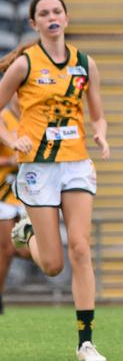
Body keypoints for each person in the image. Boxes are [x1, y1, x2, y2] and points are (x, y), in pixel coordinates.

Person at [0, 0, 110, 360]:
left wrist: (101, 134)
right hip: (38, 168)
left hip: (76, 164)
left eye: (56, 12)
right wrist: (10, 138)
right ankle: (27, 231)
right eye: (44, 13)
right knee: (52, 265)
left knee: (80, 247)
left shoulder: (85, 63)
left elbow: (97, 113)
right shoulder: (24, 65)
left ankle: (86, 343)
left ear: (66, 18)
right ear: (34, 24)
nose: (52, 17)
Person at [0, 95, 30, 315]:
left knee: (22, 248)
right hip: (3, 192)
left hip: (26, 192)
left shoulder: (31, 119)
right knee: (7, 249)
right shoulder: (4, 118)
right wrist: (9, 161)